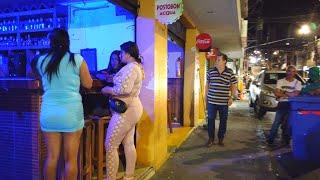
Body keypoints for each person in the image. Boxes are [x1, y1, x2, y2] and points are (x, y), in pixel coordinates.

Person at [32, 28, 93, 180]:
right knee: (70, 160)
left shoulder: (41, 60)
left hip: (49, 112)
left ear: (50, 42)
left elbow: (32, 73)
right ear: (67, 41)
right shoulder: (76, 59)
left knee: (52, 158)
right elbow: (88, 84)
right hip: (70, 113)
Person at [101, 41, 144, 180]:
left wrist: (108, 90)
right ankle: (129, 176)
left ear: (128, 54)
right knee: (128, 143)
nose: (120, 56)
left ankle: (111, 178)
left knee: (111, 144)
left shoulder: (131, 67)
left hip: (126, 109)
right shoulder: (135, 66)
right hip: (133, 107)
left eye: (121, 53)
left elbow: (124, 89)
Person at [205, 53, 238, 147]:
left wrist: (231, 97)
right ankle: (211, 139)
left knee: (223, 120)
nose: (216, 61)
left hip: (224, 102)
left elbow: (234, 85)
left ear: (224, 61)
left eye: (219, 60)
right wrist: (206, 96)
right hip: (211, 101)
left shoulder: (230, 72)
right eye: (216, 60)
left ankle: (220, 138)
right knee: (210, 120)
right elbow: (207, 84)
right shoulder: (210, 71)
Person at [267, 65, 302, 145]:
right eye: (289, 71)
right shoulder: (280, 81)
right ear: (287, 72)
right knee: (276, 122)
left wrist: (283, 92)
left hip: (292, 105)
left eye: (293, 71)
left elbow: (295, 94)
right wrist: (289, 94)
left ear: (295, 73)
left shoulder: (298, 82)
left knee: (289, 123)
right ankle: (271, 138)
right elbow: (276, 93)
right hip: (282, 104)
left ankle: (286, 139)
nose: (291, 73)